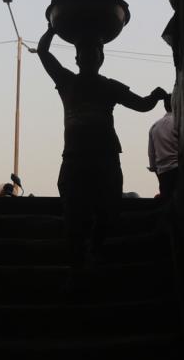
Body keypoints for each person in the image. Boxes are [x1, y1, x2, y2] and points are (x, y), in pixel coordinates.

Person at [37, 22, 167, 274]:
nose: (89, 56)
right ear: (77, 58)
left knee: (109, 210)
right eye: (84, 52)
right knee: (75, 216)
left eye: (94, 52)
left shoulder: (109, 86)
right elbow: (43, 52)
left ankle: (93, 250)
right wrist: (53, 28)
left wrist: (155, 95)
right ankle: (78, 265)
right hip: (75, 158)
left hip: (105, 158)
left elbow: (142, 105)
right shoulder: (66, 80)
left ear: (101, 57)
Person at [148, 94, 178, 199]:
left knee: (166, 201)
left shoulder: (154, 126)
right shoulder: (180, 122)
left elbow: (152, 157)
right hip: (179, 171)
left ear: (165, 106)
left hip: (162, 174)